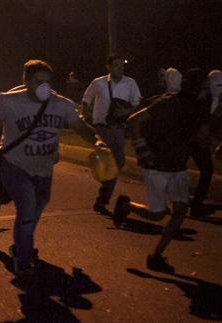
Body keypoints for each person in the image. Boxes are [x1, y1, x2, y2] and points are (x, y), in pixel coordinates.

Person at [0, 59, 100, 282]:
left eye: (47, 81)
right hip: (15, 165)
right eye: (37, 81)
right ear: (25, 81)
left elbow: (80, 127)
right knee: (27, 208)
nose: (44, 86)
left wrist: (98, 142)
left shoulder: (61, 104)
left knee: (34, 212)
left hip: (44, 169)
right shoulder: (9, 101)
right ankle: (23, 261)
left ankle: (21, 245)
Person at [112, 69, 211, 273]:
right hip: (156, 164)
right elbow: (133, 121)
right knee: (157, 215)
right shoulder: (168, 103)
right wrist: (141, 147)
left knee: (180, 211)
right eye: (206, 87)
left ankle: (156, 256)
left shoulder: (199, 109)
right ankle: (126, 205)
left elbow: (200, 138)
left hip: (178, 166)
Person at [81, 54, 141, 216]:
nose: (120, 69)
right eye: (116, 66)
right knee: (110, 161)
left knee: (117, 162)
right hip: (101, 129)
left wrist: (126, 111)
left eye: (122, 66)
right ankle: (103, 198)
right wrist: (85, 112)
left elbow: (138, 104)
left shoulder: (130, 83)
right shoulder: (98, 82)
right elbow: (86, 98)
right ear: (108, 67)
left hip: (118, 128)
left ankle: (103, 195)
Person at [187, 69, 222, 217]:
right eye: (218, 84)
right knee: (177, 170)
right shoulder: (201, 98)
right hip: (192, 140)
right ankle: (194, 205)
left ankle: (195, 205)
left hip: (200, 141)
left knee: (206, 171)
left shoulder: (214, 99)